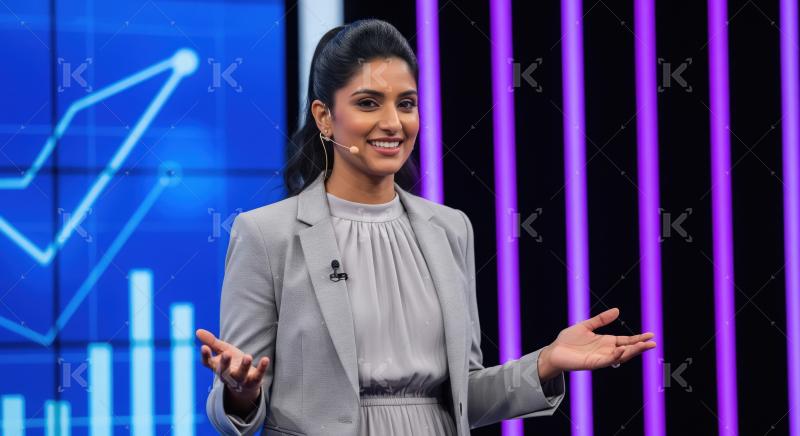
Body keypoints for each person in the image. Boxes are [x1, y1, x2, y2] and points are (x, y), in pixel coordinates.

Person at [196, 19, 656, 436]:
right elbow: (233, 400)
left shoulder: (450, 229)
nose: (393, 123)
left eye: (406, 104)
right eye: (368, 103)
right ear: (324, 117)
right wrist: (241, 393)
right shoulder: (266, 234)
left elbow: (465, 399)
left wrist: (546, 362)